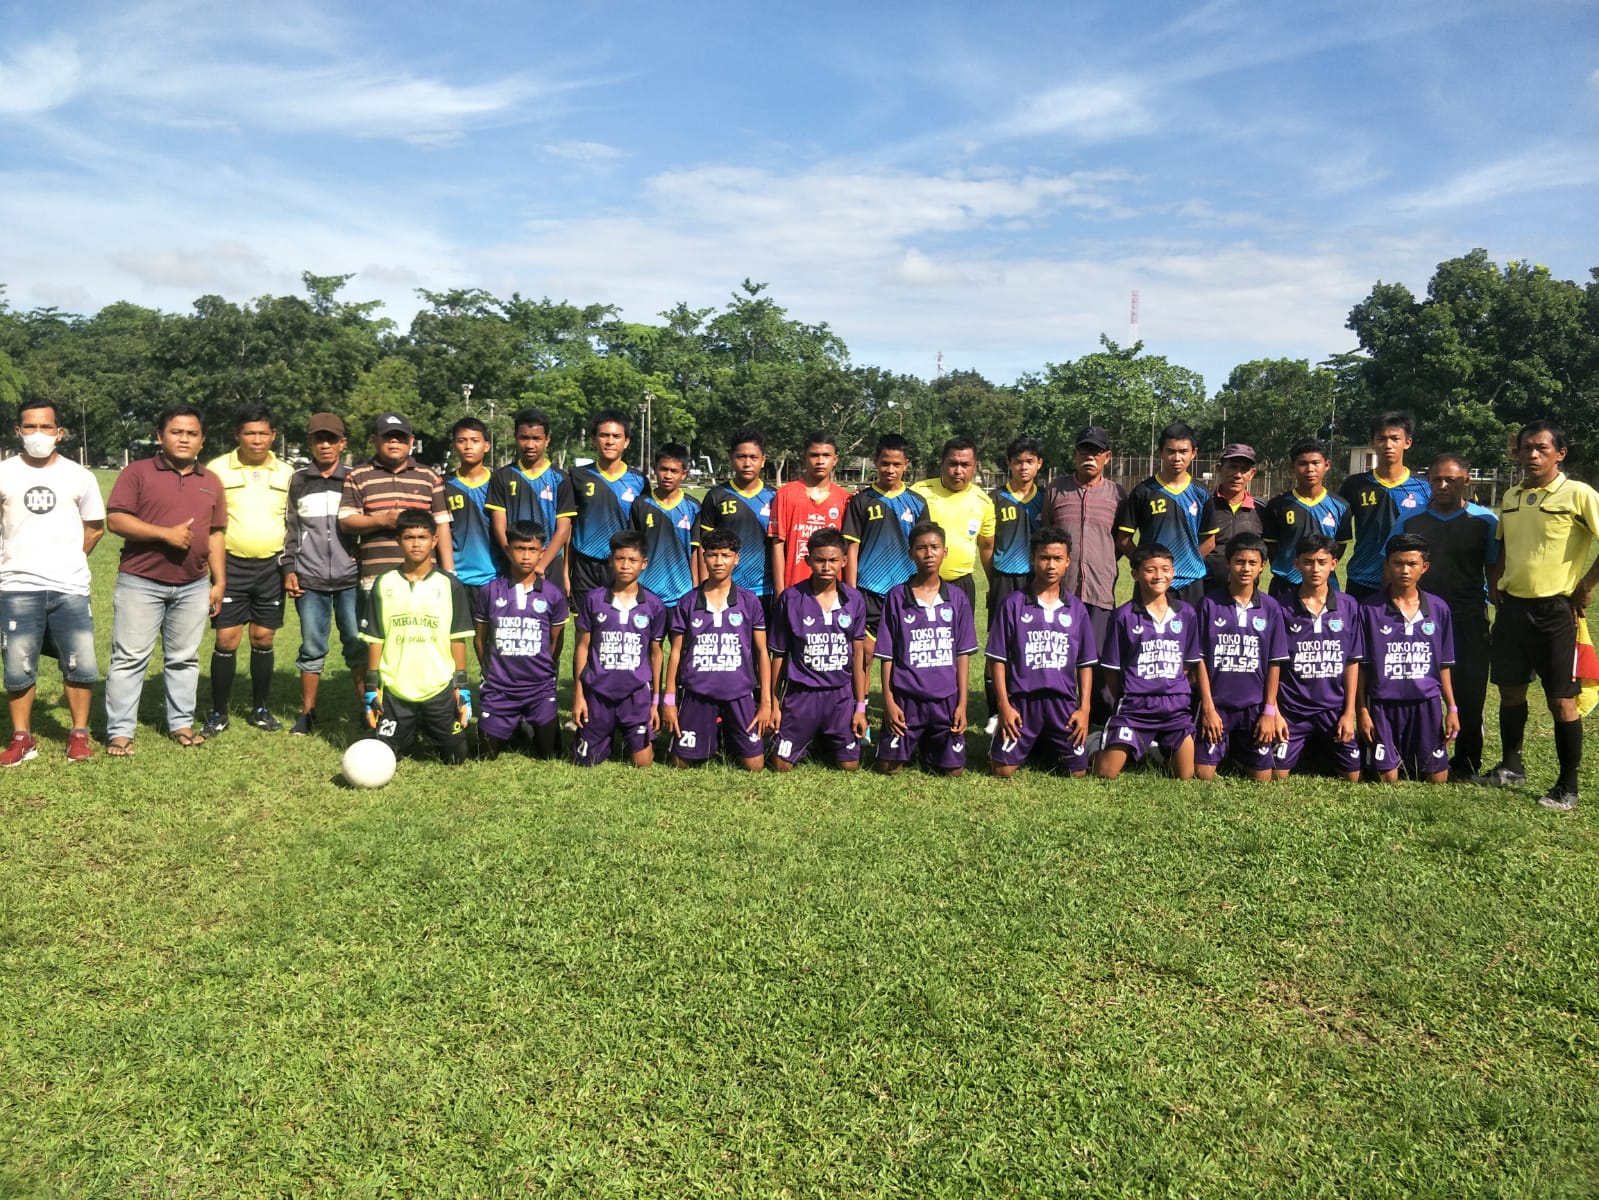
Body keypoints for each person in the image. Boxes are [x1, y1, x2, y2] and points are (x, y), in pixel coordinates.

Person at [1478, 421, 1599, 811]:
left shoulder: (1577, 494)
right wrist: (1495, 584)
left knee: (1560, 700)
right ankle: (1511, 765)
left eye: (1541, 449)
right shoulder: (1511, 496)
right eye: (1526, 448)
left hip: (1555, 612)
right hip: (1513, 610)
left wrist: (1587, 585)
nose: (1532, 455)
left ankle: (1568, 786)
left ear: (1560, 454)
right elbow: (1500, 550)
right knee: (1510, 691)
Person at [103, 404, 227, 753]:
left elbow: (216, 533)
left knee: (185, 658)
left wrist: (219, 581)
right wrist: (164, 534)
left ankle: (181, 724)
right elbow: (116, 519)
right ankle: (120, 732)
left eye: (191, 433)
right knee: (129, 658)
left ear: (202, 440)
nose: (184, 439)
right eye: (176, 432)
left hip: (193, 584)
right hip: (141, 581)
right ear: (160, 436)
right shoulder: (137, 472)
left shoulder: (211, 482)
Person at [0, 398, 105, 765]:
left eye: (46, 427)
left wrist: (70, 558)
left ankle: (78, 734)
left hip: (69, 587)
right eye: (30, 427)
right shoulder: (4, 473)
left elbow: (95, 527)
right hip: (16, 586)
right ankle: (22, 737)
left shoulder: (80, 476)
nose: (38, 434)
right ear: (18, 431)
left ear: (60, 433)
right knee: (18, 664)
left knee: (79, 663)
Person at [1391, 453, 1498, 779]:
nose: (1442, 486)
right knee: (1411, 689)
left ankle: (1466, 763)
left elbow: (1493, 570)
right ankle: (1407, 753)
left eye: (1450, 480)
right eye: (1436, 479)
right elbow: (1392, 567)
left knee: (1469, 693)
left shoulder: (1485, 521)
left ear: (1466, 480)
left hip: (1468, 618)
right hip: (1419, 620)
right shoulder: (1409, 520)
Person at [200, 404, 295, 737]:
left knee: (263, 636)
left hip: (271, 568)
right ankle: (218, 712)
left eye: (263, 433)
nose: (257, 440)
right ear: (237, 435)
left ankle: (260, 708)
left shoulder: (287, 473)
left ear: (273, 435)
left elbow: (293, 523)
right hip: (230, 566)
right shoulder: (216, 470)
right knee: (227, 639)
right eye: (249, 433)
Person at [360, 508, 472, 765]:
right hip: (396, 688)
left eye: (422, 537)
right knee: (384, 753)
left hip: (438, 687)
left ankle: (429, 727)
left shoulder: (449, 584)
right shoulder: (384, 583)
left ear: (434, 540)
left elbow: (458, 638)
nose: (416, 543)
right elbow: (375, 637)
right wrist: (371, 684)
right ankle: (408, 731)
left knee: (456, 756)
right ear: (398, 540)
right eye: (409, 537)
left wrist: (462, 685)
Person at [985, 527, 1097, 779]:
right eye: (1044, 557)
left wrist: (1085, 709)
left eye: (1058, 559)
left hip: (1063, 705)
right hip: (1023, 702)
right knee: (1002, 770)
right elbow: (997, 659)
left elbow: (1085, 663)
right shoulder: (1013, 604)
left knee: (1077, 772)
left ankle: (1049, 741)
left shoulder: (1076, 609)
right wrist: (1004, 706)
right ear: (1032, 559)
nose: (1050, 565)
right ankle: (1028, 740)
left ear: (1068, 561)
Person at [661, 527, 771, 770]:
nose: (719, 562)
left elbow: (763, 652)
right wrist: (669, 700)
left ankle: (725, 734)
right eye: (712, 555)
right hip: (698, 692)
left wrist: (765, 703)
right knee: (681, 763)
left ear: (736, 558)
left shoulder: (749, 601)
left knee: (755, 766)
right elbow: (676, 652)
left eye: (725, 555)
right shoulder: (688, 601)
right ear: (703, 557)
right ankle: (711, 731)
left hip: (739, 693)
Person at [873, 522, 978, 777]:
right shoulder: (897, 597)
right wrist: (888, 702)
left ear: (945, 552)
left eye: (934, 547)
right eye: (921, 548)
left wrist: (962, 704)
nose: (928, 553)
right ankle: (913, 740)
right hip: (907, 700)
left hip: (945, 700)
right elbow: (887, 656)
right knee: (888, 768)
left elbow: (962, 656)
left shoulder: (957, 599)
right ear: (911, 554)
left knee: (954, 772)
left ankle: (929, 744)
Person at [282, 412, 363, 737]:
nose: (326, 445)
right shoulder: (300, 480)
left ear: (343, 443)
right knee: (312, 646)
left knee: (357, 644)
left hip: (350, 578)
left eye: (332, 439)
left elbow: (365, 523)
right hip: (310, 578)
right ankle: (308, 713)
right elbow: (289, 527)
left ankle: (367, 710)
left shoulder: (356, 478)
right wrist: (289, 568)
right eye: (319, 439)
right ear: (310, 443)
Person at [1356, 533, 1458, 784]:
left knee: (1438, 779)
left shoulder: (1438, 608)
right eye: (1398, 563)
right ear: (1387, 565)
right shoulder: (1369, 609)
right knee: (1387, 778)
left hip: (1425, 704)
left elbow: (1443, 664)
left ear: (1424, 567)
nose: (1404, 570)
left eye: (1412, 564)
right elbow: (1361, 667)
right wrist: (1362, 709)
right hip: (1384, 705)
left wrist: (1452, 707)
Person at [1095, 544, 1200, 781]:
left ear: (1173, 572)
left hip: (1175, 708)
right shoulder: (1123, 615)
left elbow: (1191, 664)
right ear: (1135, 574)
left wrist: (1175, 688)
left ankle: (1155, 747)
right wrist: (1127, 696)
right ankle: (1101, 743)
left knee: (1185, 775)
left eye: (1165, 569)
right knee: (1105, 773)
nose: (1159, 575)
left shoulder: (1186, 614)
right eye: (1150, 570)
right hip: (1135, 708)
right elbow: (1111, 670)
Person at [1042, 426, 1124, 725]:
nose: (1089, 457)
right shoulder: (1056, 489)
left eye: (1096, 452)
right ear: (1075, 454)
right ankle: (1058, 713)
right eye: (1084, 451)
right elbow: (1047, 533)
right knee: (1059, 654)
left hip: (1100, 589)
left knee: (1099, 658)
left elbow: (1118, 538)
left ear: (1106, 456)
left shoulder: (1116, 493)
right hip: (1060, 591)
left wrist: (1102, 562)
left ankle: (1100, 720)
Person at [768, 528, 868, 772]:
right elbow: (779, 653)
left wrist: (860, 706)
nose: (827, 567)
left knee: (850, 766)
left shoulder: (854, 600)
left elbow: (858, 657)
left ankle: (825, 737)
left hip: (840, 695)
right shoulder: (790, 598)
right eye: (820, 560)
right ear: (808, 560)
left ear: (844, 561)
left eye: (833, 560)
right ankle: (806, 734)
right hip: (802, 694)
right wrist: (773, 702)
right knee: (780, 765)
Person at [1192, 533, 1288, 782]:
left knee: (1264, 778)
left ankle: (1235, 750)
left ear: (1262, 567)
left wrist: (1269, 711)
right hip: (1218, 705)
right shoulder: (1209, 604)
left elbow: (1274, 663)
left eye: (1252, 563)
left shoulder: (1270, 607)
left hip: (1254, 708)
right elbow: (1199, 659)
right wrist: (1208, 709)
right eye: (1239, 561)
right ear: (1227, 563)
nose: (1245, 568)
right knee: (1203, 775)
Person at [571, 530, 668, 768]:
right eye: (620, 559)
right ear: (611, 560)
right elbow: (582, 647)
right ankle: (602, 733)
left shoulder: (654, 605)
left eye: (632, 560)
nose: (625, 566)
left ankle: (632, 735)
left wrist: (655, 702)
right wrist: (579, 695)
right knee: (584, 762)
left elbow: (656, 653)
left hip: (635, 695)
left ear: (644, 564)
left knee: (642, 764)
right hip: (598, 692)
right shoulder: (594, 599)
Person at [473, 522, 568, 759]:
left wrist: (545, 670)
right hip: (499, 690)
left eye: (532, 549)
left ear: (542, 552)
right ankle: (512, 724)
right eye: (519, 548)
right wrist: (492, 671)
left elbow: (555, 642)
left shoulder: (553, 594)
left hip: (539, 688)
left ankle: (528, 721)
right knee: (485, 756)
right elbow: (480, 639)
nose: (526, 556)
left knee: (549, 755)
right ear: (508, 551)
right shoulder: (489, 591)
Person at [1274, 535, 1364, 783]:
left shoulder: (1349, 606)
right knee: (1274, 773)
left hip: (1332, 709)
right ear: (1296, 564)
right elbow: (1274, 666)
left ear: (1334, 564)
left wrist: (1349, 713)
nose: (1315, 569)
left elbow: (1352, 662)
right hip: (1293, 709)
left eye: (1322, 562)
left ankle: (1321, 750)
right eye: (1308, 562)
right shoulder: (1281, 608)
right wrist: (1276, 712)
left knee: (1353, 776)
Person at [339, 413, 453, 602]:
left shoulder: (429, 477)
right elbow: (346, 522)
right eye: (387, 436)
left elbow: (442, 527)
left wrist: (449, 573)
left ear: (411, 441)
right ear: (375, 440)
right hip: (376, 579)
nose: (394, 441)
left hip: (425, 579)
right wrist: (382, 521)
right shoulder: (358, 475)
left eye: (400, 437)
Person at [842, 432, 927, 656]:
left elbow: (924, 549)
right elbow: (852, 549)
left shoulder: (917, 502)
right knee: (864, 654)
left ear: (906, 465)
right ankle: (863, 693)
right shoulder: (861, 501)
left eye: (897, 464)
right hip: (868, 589)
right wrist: (852, 594)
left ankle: (902, 692)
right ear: (875, 462)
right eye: (885, 463)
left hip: (906, 589)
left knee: (905, 653)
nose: (890, 470)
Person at [983, 437, 1046, 734]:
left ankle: (1028, 700)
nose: (1024, 466)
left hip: (1036, 580)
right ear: (1009, 464)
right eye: (1018, 461)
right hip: (1004, 578)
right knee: (1000, 642)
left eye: (1030, 461)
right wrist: (995, 577)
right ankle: (995, 710)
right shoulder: (994, 499)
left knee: (1032, 641)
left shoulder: (1046, 499)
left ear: (1039, 465)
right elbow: (987, 545)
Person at [1115, 421, 1216, 606]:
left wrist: (1187, 564)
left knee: (1191, 634)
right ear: (1161, 452)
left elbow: (1209, 541)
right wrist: (1147, 566)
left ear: (1194, 453)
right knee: (1148, 634)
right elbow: (1123, 539)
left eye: (1183, 451)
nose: (1176, 457)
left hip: (1190, 583)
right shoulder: (1143, 491)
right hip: (1151, 582)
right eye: (1171, 451)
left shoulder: (1201, 493)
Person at [557, 409, 648, 601]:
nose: (610, 441)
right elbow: (569, 528)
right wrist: (566, 571)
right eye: (604, 435)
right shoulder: (578, 477)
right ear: (593, 439)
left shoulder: (639, 481)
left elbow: (644, 531)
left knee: (618, 626)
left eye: (616, 436)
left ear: (627, 441)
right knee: (584, 627)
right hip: (585, 564)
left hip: (623, 565)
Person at [1339, 412, 1431, 599]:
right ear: (1372, 442)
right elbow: (1336, 531)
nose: (1388, 445)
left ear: (1407, 443)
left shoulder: (1425, 488)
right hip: (1362, 578)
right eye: (1381, 438)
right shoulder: (1354, 485)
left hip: (1407, 580)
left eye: (1395, 438)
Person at [697, 427, 777, 620]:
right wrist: (703, 586)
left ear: (763, 460)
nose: (747, 463)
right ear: (731, 458)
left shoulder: (775, 497)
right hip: (725, 588)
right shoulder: (716, 496)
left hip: (764, 589)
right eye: (741, 457)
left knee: (761, 648)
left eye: (753, 457)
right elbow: (703, 545)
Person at [484, 407, 569, 584]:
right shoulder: (502, 476)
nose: (530, 445)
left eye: (536, 439)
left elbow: (563, 528)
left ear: (547, 440)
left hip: (550, 563)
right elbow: (499, 523)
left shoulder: (560, 478)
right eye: (524, 438)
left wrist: (541, 564)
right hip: (512, 562)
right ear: (516, 438)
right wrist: (512, 555)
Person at [1262, 438, 1352, 601]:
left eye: (1315, 463)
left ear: (1327, 465)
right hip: (1285, 586)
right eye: (1303, 463)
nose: (1310, 469)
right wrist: (1289, 570)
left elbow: (1340, 546)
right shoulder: (1278, 505)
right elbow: (1272, 548)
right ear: (1292, 467)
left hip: (1325, 585)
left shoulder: (1340, 506)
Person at [911, 437, 995, 613]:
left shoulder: (984, 502)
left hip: (961, 583)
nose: (958, 471)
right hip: (919, 581)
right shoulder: (918, 493)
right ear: (942, 464)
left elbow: (987, 547)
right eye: (953, 464)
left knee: (961, 639)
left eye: (965, 465)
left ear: (975, 465)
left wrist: (993, 584)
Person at [769, 431, 850, 592]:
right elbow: (778, 544)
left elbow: (848, 550)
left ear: (835, 460)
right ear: (804, 458)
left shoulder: (845, 499)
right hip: (794, 588)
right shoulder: (786, 494)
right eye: (814, 455)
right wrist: (780, 592)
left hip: (831, 591)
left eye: (826, 455)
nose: (820, 461)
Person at [630, 443, 701, 607]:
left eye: (674, 471)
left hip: (682, 592)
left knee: (680, 634)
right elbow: (633, 548)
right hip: (646, 592)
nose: (668, 475)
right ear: (655, 469)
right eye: (664, 469)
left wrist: (696, 588)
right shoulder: (641, 504)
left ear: (684, 474)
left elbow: (696, 551)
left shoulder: (693, 507)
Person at [445, 416, 498, 615]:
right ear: (454, 445)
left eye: (475, 441)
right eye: (462, 440)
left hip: (494, 577)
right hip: (456, 577)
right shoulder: (444, 485)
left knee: (491, 642)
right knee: (453, 640)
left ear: (486, 446)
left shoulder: (499, 483)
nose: (468, 446)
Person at [1199, 444, 1263, 593]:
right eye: (1232, 467)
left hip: (1246, 595)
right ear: (1219, 469)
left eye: (1244, 469)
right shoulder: (1202, 506)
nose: (1238, 475)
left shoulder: (1261, 510)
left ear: (1252, 473)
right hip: (1206, 593)